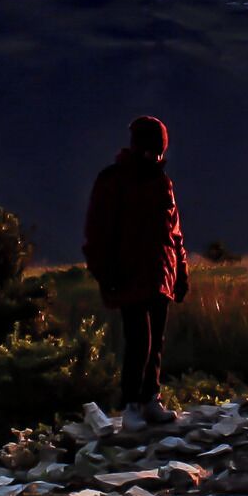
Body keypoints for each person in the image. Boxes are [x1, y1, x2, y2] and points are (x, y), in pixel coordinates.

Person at [83, 115, 190, 424]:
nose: (155, 155)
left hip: (161, 274)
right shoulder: (112, 180)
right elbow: (97, 232)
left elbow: (174, 233)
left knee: (155, 342)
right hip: (128, 275)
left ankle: (150, 400)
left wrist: (181, 273)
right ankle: (131, 405)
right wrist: (105, 273)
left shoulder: (162, 183)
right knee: (139, 340)